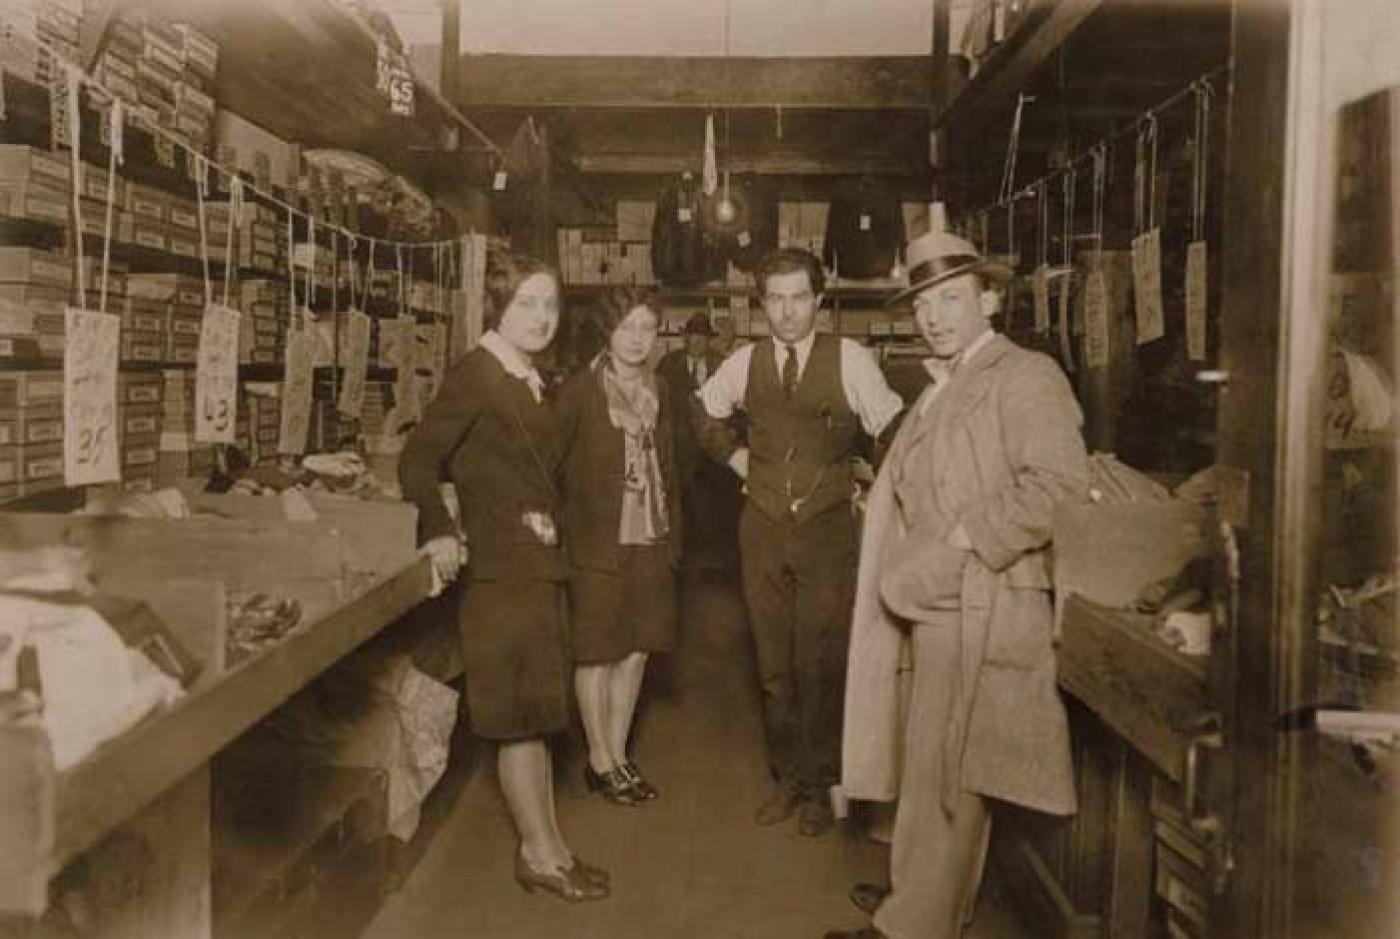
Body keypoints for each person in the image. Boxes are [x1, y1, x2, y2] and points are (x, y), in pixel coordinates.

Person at [825, 229, 1088, 939]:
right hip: (935, 599)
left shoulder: (1025, 374)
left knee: (949, 773)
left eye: (952, 297)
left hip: (980, 599)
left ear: (990, 297)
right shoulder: (942, 385)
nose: (935, 316)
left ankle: (909, 925)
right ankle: (920, 899)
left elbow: (1059, 484)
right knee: (932, 765)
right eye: (924, 305)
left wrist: (962, 540)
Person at [398, 252, 608, 903]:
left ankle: (552, 848)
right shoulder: (478, 373)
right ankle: (539, 853)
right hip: (498, 577)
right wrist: (438, 527)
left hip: (534, 569)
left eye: (549, 305)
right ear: (499, 307)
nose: (541, 318)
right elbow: (416, 460)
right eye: (527, 304)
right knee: (519, 721)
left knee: (538, 719)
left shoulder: (525, 375)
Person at [694, 247, 905, 837]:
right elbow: (701, 413)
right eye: (776, 299)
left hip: (827, 529)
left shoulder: (851, 359)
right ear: (763, 304)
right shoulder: (744, 361)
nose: (787, 313)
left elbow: (893, 429)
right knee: (772, 663)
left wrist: (879, 494)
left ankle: (821, 785)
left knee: (822, 659)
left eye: (798, 298)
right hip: (759, 527)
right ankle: (788, 779)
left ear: (819, 299)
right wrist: (738, 458)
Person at [557, 287, 680, 807]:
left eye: (647, 329)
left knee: (636, 649)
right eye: (627, 327)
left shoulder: (661, 389)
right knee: (598, 653)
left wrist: (675, 542)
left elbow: (669, 468)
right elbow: (555, 471)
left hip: (649, 536)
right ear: (608, 332)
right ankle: (600, 758)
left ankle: (621, 754)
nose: (637, 339)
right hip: (597, 543)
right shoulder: (580, 391)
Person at [657, 312, 740, 576]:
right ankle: (682, 561)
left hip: (715, 452)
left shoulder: (722, 365)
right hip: (680, 449)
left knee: (716, 504)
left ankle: (716, 562)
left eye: (702, 337)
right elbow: (657, 405)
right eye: (692, 336)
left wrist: (730, 437)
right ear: (684, 337)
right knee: (681, 504)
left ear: (708, 340)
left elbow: (737, 407)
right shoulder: (668, 365)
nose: (697, 342)